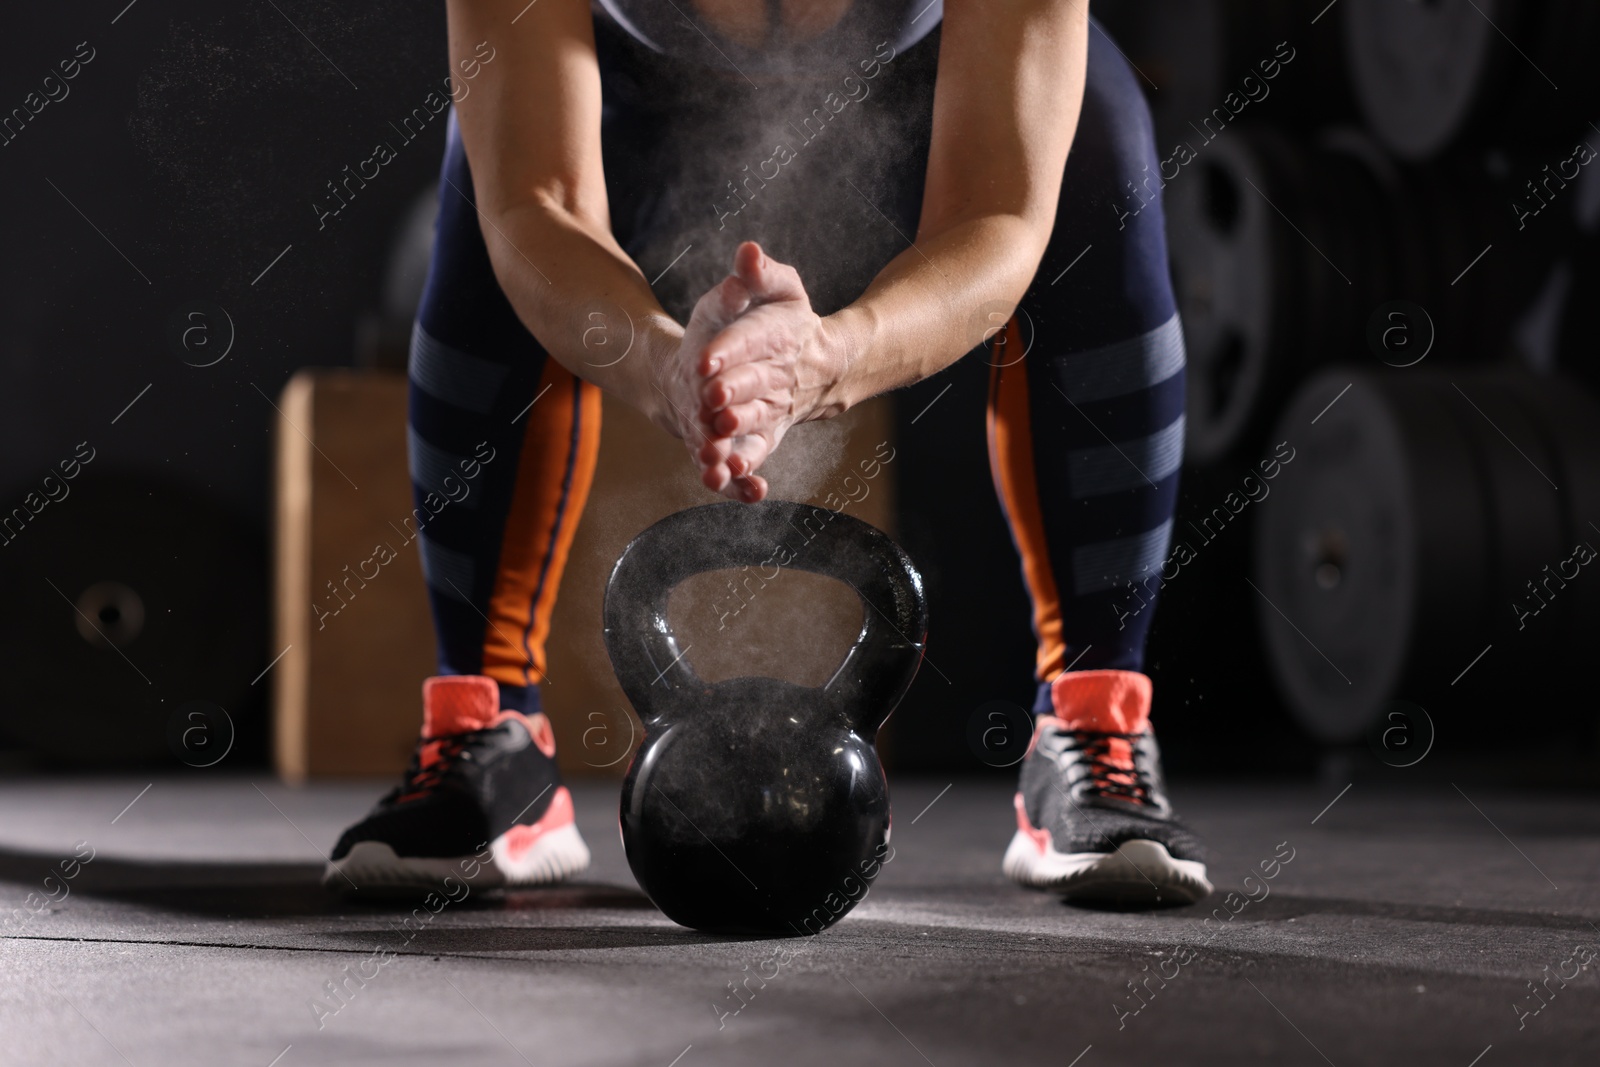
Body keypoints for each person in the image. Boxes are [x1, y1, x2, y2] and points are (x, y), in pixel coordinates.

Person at [326, 0, 1211, 907]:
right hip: (631, 122)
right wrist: (664, 368)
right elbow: (537, 203)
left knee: (1097, 141)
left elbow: (1001, 214)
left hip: (926, 120)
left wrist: (833, 360)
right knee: (487, 167)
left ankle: (1094, 726)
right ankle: (490, 732)